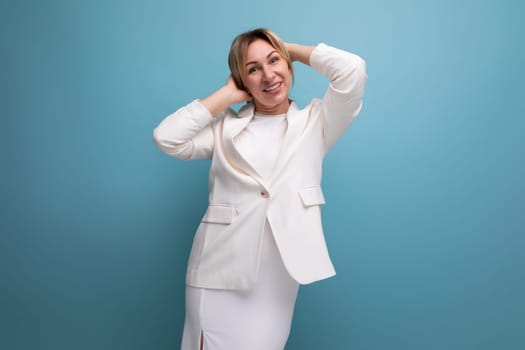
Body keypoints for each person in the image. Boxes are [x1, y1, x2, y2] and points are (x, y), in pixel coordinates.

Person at [153, 28, 367, 350]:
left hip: (277, 277)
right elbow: (167, 137)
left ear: (289, 65)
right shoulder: (225, 126)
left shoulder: (316, 122)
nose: (268, 75)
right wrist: (225, 96)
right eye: (253, 69)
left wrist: (289, 49)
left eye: (274, 61)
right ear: (242, 81)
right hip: (218, 272)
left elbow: (353, 71)